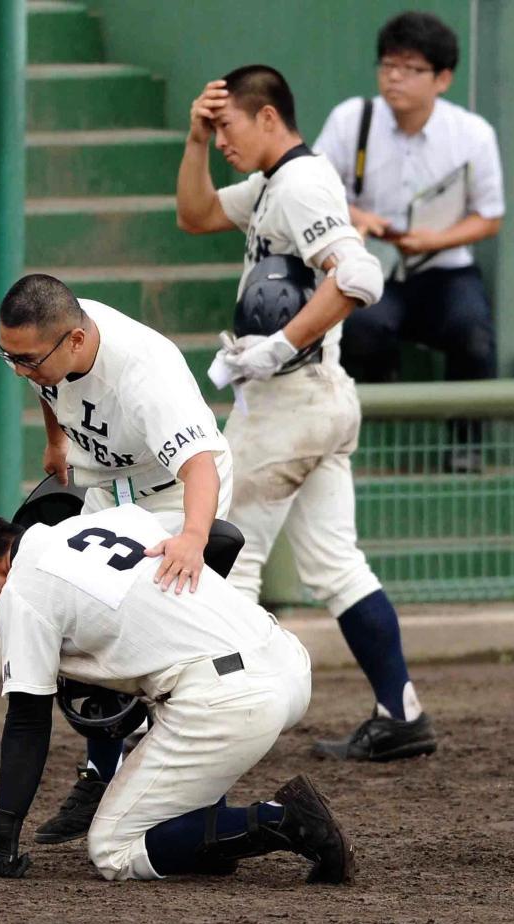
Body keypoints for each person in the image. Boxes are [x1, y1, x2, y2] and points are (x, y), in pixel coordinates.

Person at [176, 64, 438, 761]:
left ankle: (227, 725)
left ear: (269, 118)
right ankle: (400, 711)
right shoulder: (272, 182)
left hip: (289, 402)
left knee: (231, 560)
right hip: (319, 396)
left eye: (228, 126)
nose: (223, 139)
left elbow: (358, 275)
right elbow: (194, 214)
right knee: (335, 566)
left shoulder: (299, 182)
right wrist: (196, 140)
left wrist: (276, 348)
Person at [0, 503, 355, 883]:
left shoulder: (21, 591)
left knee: (112, 851)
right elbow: (226, 536)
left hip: (228, 701)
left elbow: (27, 723)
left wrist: (2, 843)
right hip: (286, 660)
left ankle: (283, 820)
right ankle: (211, 843)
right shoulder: (111, 518)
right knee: (167, 811)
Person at [0, 273, 233, 843]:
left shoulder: (145, 372)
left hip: (180, 499)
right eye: (11, 356)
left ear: (75, 341)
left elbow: (198, 464)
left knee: (170, 643)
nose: (21, 368)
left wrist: (193, 539)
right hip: (110, 489)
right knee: (87, 627)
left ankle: (205, 804)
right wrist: (55, 443)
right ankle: (103, 773)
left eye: (29, 359)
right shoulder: (44, 339)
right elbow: (47, 386)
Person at [314, 11, 504, 471]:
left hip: (445, 269)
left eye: (410, 68)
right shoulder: (352, 119)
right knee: (360, 328)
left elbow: (490, 217)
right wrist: (359, 216)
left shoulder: (472, 134)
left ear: (442, 78)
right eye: (387, 65)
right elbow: (314, 184)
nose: (394, 77)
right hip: (372, 261)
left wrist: (437, 239)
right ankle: (359, 439)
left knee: (474, 335)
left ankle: (466, 446)